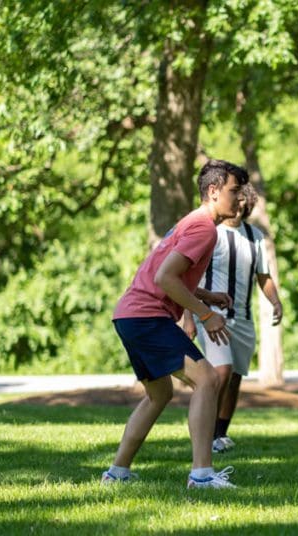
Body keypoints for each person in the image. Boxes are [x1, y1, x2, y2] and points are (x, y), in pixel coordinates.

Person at [102, 159, 249, 490]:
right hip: (147, 315)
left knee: (159, 394)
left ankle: (117, 474)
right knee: (208, 379)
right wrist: (207, 315)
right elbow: (165, 277)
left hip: (128, 315)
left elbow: (168, 274)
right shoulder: (203, 228)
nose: (239, 199)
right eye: (233, 191)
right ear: (213, 191)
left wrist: (205, 295)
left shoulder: (190, 223)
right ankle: (201, 475)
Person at [182, 182, 283, 454]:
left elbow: (264, 277)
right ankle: (206, 433)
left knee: (235, 376)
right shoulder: (208, 232)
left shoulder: (255, 236)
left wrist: (275, 302)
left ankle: (220, 433)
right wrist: (189, 317)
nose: (238, 205)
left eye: (243, 201)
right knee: (221, 371)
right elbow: (185, 278)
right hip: (211, 315)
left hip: (244, 319)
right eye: (235, 199)